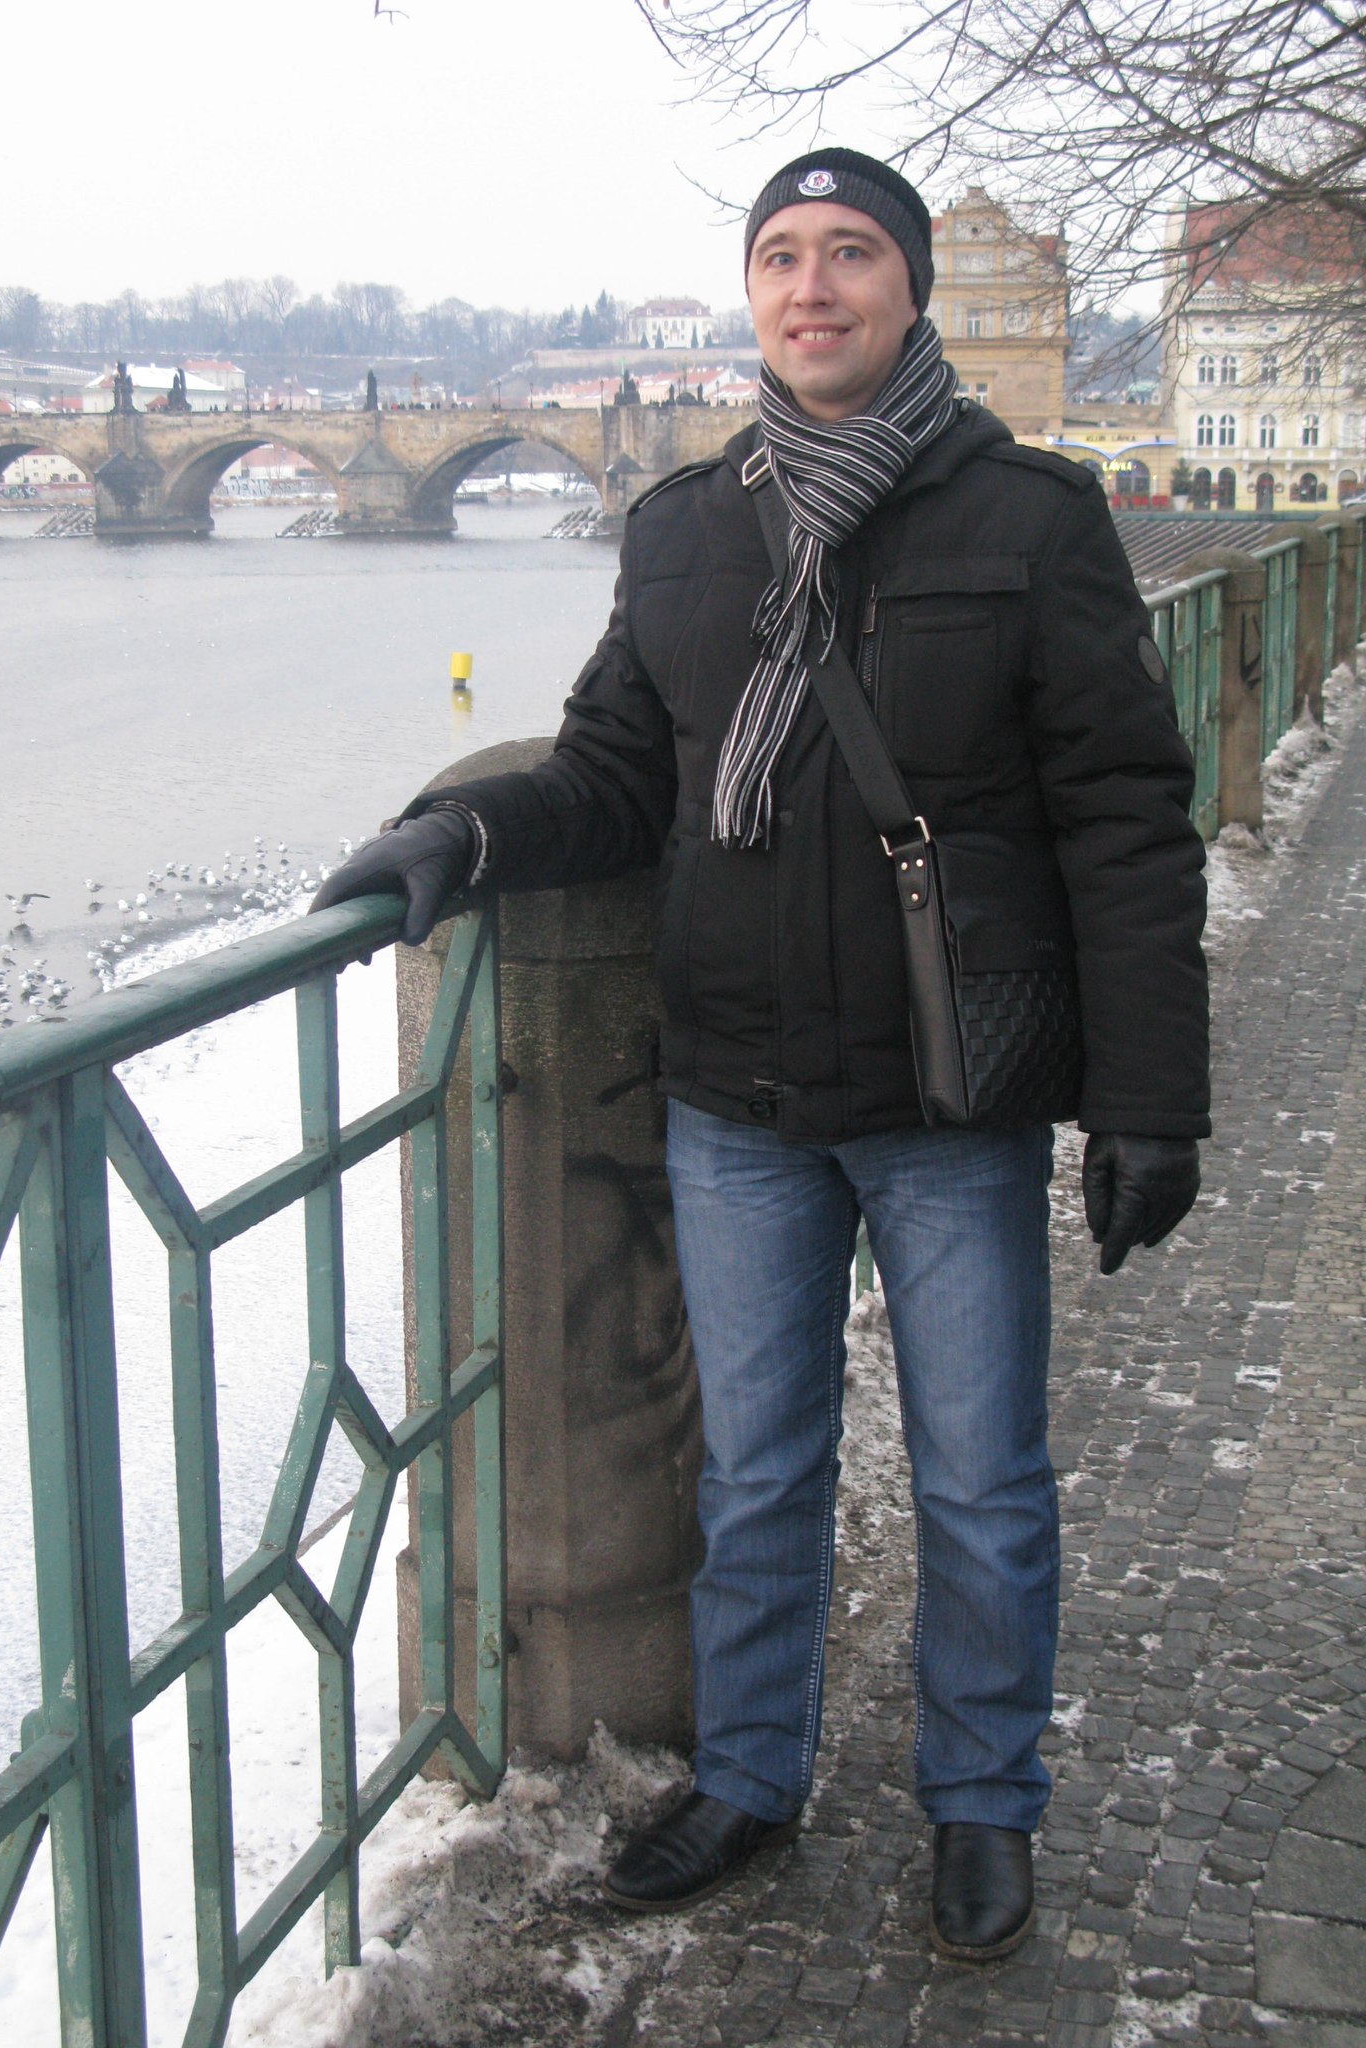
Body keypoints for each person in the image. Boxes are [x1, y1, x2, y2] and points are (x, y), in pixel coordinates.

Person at [310, 148, 1208, 1962]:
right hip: (736, 1094)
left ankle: (982, 1797)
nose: (813, 286)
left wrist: (1149, 1100)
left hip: (947, 1096)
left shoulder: (1030, 517)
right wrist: (463, 833)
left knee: (981, 1479)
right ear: (752, 294)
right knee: (758, 1472)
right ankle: (748, 1777)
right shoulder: (684, 530)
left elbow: (1125, 820)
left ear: (909, 287)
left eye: (850, 252)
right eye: (781, 256)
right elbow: (611, 775)